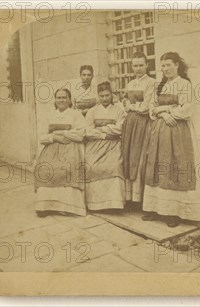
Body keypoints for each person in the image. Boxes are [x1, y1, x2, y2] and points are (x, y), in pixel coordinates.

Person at [141, 52, 200, 228]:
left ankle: (174, 213)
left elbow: (187, 108)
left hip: (177, 131)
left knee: (175, 166)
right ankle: (155, 208)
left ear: (177, 65)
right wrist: (163, 112)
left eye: (168, 64)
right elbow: (151, 108)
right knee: (157, 166)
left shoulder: (184, 85)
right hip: (159, 132)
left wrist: (168, 112)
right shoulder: (159, 86)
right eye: (163, 66)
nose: (165, 69)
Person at [35, 88, 87, 217]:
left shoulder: (76, 114)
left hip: (70, 146)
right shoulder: (49, 115)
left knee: (67, 169)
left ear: (69, 100)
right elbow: (41, 137)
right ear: (55, 100)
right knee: (44, 169)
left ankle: (66, 206)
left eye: (64, 97)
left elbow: (81, 134)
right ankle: (45, 206)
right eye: (59, 97)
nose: (62, 100)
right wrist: (54, 137)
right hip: (51, 148)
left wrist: (63, 133)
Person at [83, 81, 126, 211]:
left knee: (114, 165)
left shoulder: (119, 110)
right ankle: (95, 203)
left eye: (107, 95)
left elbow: (120, 128)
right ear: (98, 96)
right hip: (96, 143)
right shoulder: (92, 111)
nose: (105, 98)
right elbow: (88, 130)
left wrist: (101, 128)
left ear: (111, 95)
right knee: (91, 165)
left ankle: (114, 203)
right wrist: (104, 134)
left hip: (113, 144)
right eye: (102, 96)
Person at [121, 52, 156, 205]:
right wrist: (129, 106)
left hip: (143, 123)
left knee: (141, 158)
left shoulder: (152, 83)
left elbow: (145, 107)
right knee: (129, 155)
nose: (138, 69)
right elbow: (125, 104)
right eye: (135, 65)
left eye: (141, 65)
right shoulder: (130, 84)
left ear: (147, 65)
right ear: (132, 67)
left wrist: (131, 106)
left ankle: (140, 198)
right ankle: (130, 198)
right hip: (130, 124)